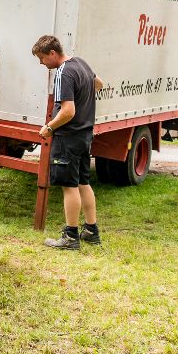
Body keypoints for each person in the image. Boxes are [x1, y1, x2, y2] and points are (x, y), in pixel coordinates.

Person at [32, 35, 105, 249]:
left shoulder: (63, 72)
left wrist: (49, 127)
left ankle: (71, 237)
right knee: (83, 182)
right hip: (84, 135)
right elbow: (99, 84)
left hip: (68, 137)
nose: (41, 63)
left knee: (69, 186)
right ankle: (91, 231)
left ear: (52, 53)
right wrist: (84, 98)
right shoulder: (81, 63)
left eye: (42, 58)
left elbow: (68, 111)